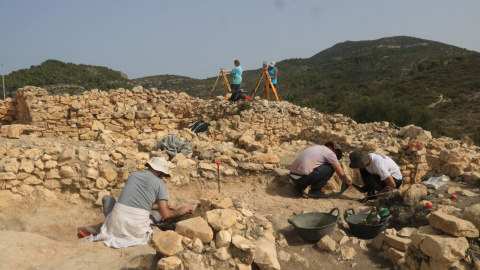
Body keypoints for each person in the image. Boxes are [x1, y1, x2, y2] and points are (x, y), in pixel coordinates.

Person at [87, 157, 194, 248]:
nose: (162, 178)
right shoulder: (160, 183)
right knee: (158, 214)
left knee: (107, 198)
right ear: (158, 172)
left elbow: (138, 201)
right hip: (136, 230)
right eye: (162, 175)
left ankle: (109, 225)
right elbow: (166, 215)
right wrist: (180, 211)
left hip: (114, 226)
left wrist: (157, 206)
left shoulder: (133, 175)